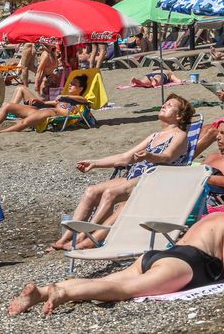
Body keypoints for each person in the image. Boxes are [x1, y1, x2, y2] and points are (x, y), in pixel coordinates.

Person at [10, 190, 224, 316]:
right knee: (125, 291)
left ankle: (43, 292)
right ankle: (63, 293)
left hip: (158, 256)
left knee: (109, 282)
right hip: (184, 264)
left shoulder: (213, 218)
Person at [48, 94, 192, 251]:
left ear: (179, 116)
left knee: (110, 193)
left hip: (155, 181)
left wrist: (150, 156)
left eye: (170, 105)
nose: (164, 105)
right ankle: (65, 239)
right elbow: (125, 158)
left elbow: (167, 157)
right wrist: (94, 163)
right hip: (136, 178)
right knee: (91, 191)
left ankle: (84, 238)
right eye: (165, 103)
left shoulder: (180, 135)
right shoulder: (155, 136)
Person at [0, 74, 89, 134]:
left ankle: (0, 132)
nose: (70, 85)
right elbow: (48, 103)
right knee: (7, 105)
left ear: (80, 88)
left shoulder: (80, 100)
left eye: (73, 84)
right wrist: (39, 102)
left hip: (51, 113)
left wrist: (66, 97)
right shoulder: (64, 98)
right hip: (43, 110)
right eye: (70, 83)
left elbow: (84, 100)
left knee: (25, 122)